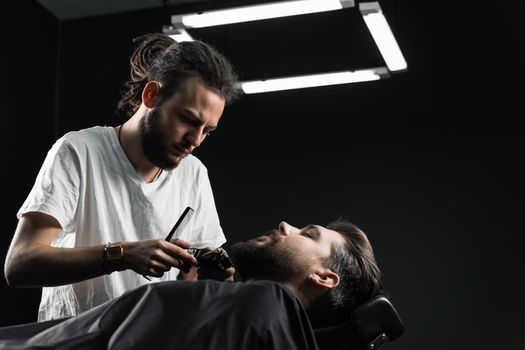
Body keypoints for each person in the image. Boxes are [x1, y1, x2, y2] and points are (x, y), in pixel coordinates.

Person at [3, 32, 239, 322]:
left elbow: (188, 282)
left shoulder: (194, 174)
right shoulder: (79, 150)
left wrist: (211, 279)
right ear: (151, 95)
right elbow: (20, 264)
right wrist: (122, 255)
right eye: (188, 120)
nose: (196, 140)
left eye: (207, 131)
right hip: (73, 340)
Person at [0, 219, 385, 350]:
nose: (286, 226)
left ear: (324, 278)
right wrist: (193, 294)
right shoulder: (264, 324)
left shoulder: (263, 304)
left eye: (308, 233)